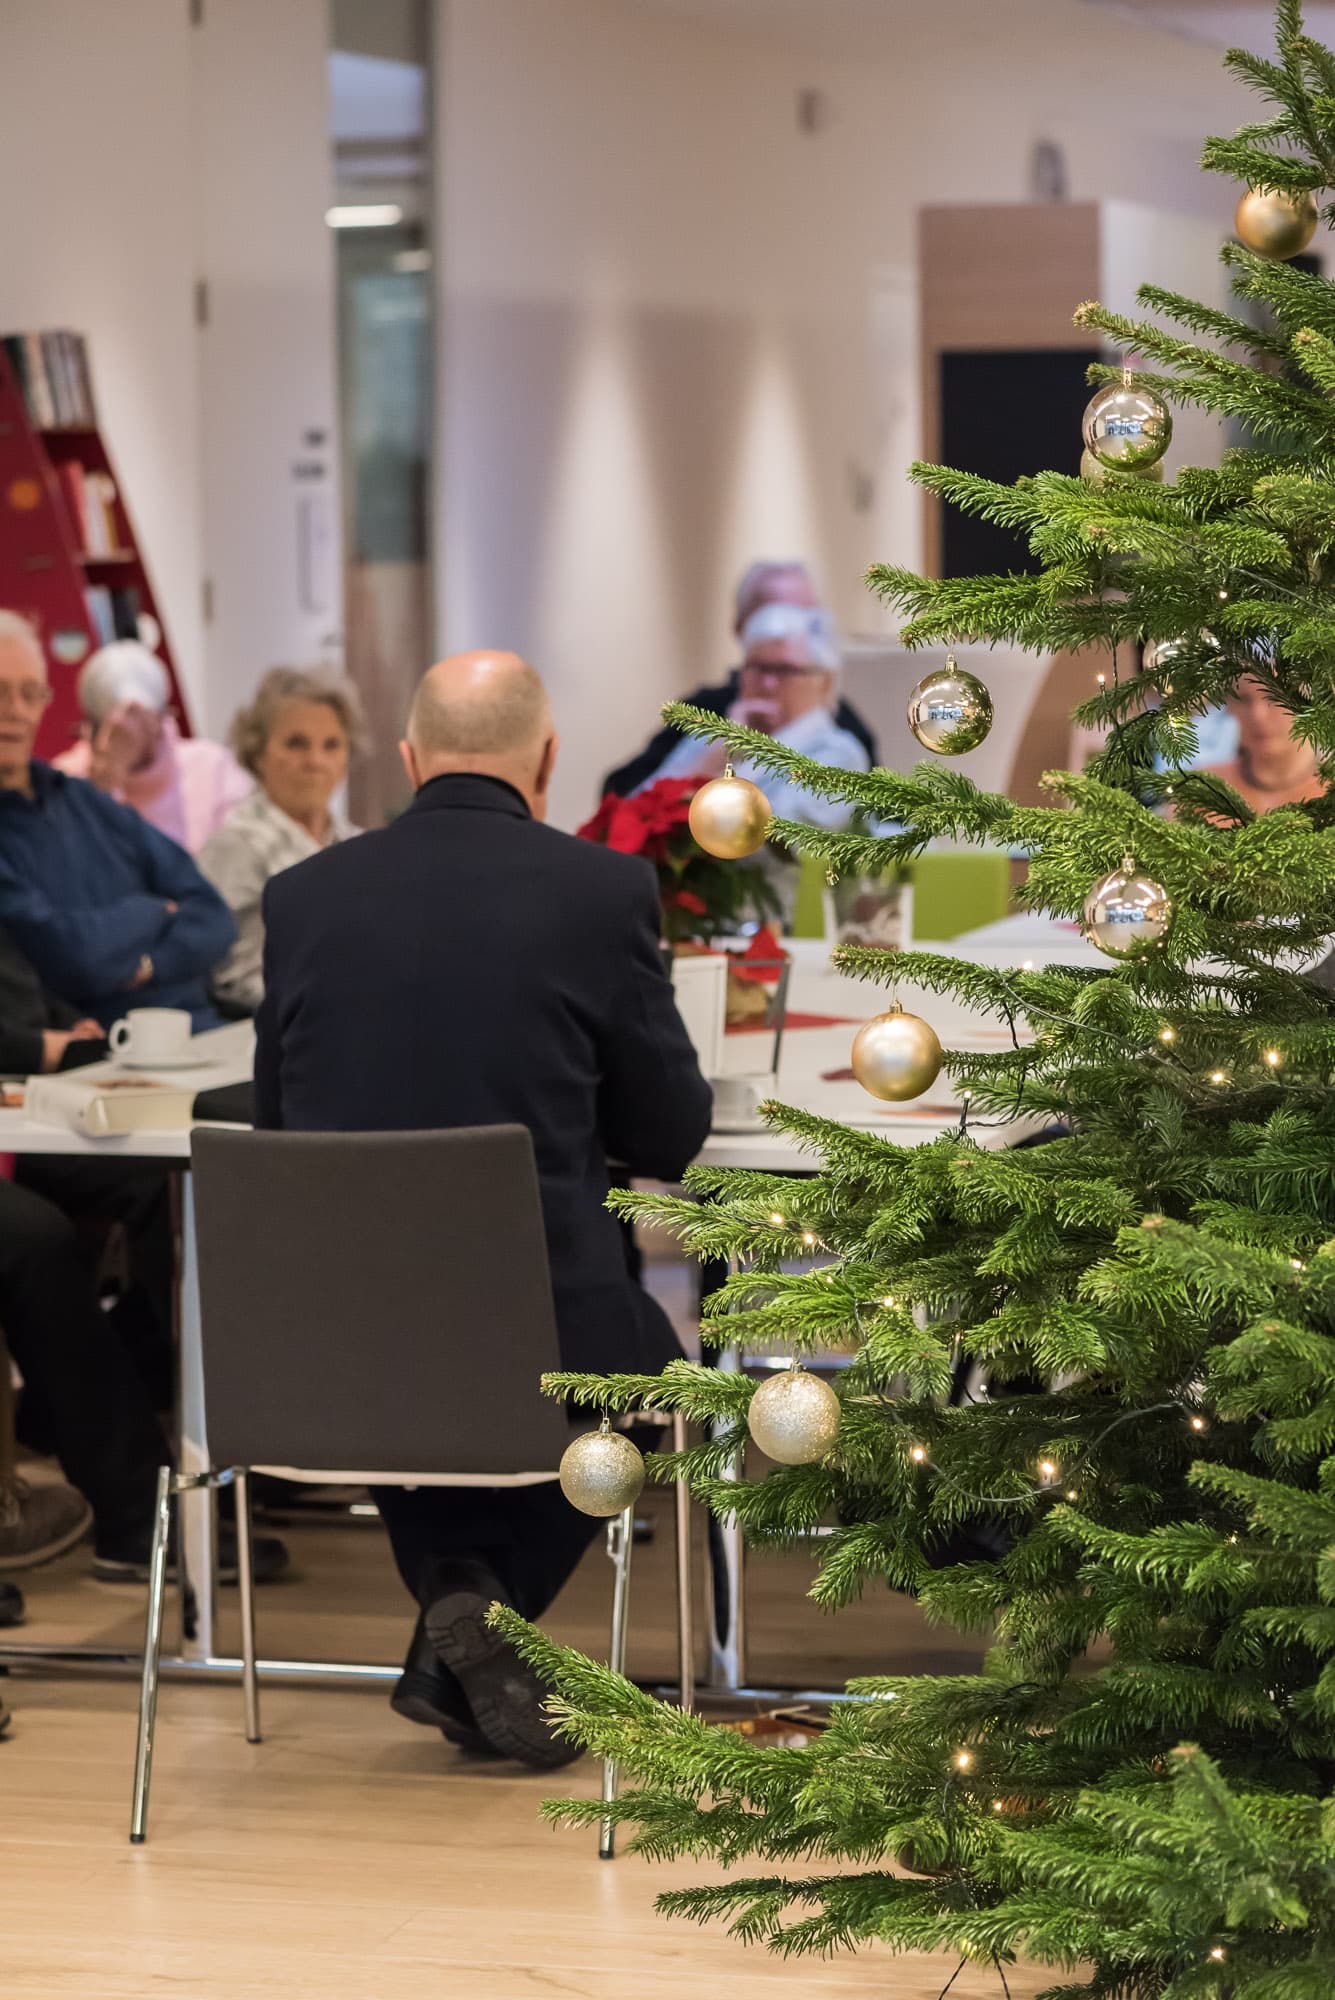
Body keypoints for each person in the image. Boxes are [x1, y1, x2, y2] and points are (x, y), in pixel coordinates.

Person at [256, 649, 712, 1766]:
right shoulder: (602, 891)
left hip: (335, 1350)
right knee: (651, 1369)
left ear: (408, 759)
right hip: (544, 1339)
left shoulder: (303, 895)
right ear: (547, 759)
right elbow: (669, 1135)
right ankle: (474, 1608)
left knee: (416, 1386)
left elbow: (276, 1131)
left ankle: (457, 1619)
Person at [0, 611, 236, 1030]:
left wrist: (148, 966)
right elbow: (72, 959)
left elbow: (213, 914)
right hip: (108, 1046)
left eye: (30, 694)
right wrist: (152, 911)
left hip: (202, 1026)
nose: (16, 711)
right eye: (0, 693)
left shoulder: (84, 799)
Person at [603, 559, 878, 795]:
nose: (783, 627)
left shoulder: (840, 736)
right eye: (760, 667)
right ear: (741, 627)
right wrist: (714, 755)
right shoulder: (707, 714)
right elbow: (630, 799)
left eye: (804, 619)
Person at [199, 667, 363, 1014]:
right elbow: (233, 977)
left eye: (331, 745)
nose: (315, 761)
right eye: (296, 744)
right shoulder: (235, 847)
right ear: (258, 753)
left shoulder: (358, 845)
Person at [634, 600, 871, 828]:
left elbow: (776, 840)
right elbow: (635, 813)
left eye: (785, 670)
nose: (767, 683)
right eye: (757, 668)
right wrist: (715, 754)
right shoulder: (714, 738)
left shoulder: (839, 754)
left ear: (823, 682)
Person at [53, 641, 252, 853]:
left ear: (162, 716)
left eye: (141, 718)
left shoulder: (212, 767)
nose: (132, 732)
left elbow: (242, 854)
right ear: (92, 728)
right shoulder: (66, 779)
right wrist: (104, 786)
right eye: (118, 727)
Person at [1199, 673, 1325, 812]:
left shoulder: (1329, 796)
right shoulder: (1205, 791)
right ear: (1229, 707)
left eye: (1276, 697)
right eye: (1244, 699)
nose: (1257, 715)